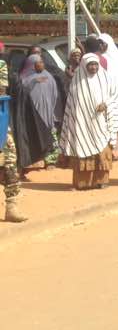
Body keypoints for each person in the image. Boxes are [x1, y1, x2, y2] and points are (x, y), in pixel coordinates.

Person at [59, 54, 118, 191]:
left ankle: (101, 181)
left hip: (101, 124)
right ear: (84, 65)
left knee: (103, 150)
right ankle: (82, 184)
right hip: (82, 125)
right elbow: (72, 104)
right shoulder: (77, 80)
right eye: (90, 65)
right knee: (82, 149)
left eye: (96, 64)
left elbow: (114, 97)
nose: (93, 67)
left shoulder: (107, 79)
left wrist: (106, 104)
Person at [19, 55, 61, 169]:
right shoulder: (24, 77)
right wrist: (32, 81)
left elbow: (54, 94)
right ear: (32, 64)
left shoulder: (49, 77)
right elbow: (20, 93)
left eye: (42, 62)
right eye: (38, 63)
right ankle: (34, 160)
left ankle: (50, 161)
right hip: (32, 114)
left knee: (49, 134)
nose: (41, 65)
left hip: (47, 112)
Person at [0, 46, 28, 222]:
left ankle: (12, 206)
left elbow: (1, 91)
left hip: (0, 123)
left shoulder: (0, 65)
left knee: (9, 162)